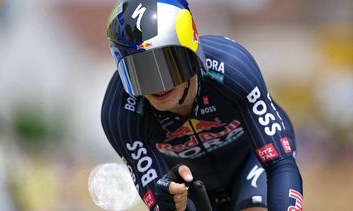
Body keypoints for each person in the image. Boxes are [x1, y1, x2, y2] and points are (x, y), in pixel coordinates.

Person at [101, 0, 303, 210]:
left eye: (165, 67)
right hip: (190, 184)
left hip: (250, 159)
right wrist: (168, 203)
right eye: (139, 73)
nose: (156, 87)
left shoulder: (233, 69)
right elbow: (160, 200)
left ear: (191, 52)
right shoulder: (119, 114)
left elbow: (279, 164)